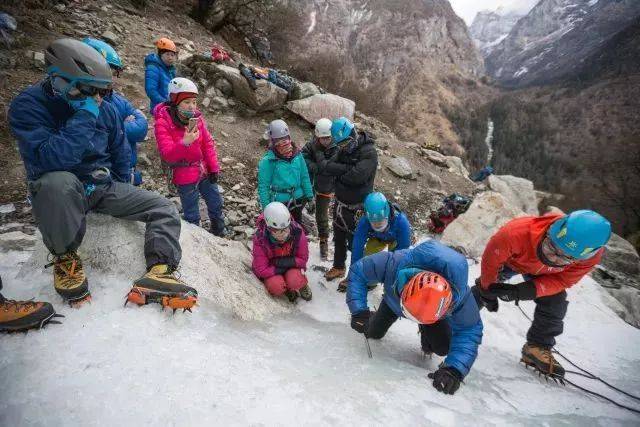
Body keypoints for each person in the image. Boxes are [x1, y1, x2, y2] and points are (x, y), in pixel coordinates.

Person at [8, 38, 196, 311]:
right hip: (61, 188)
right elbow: (51, 160)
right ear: (63, 83)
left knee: (163, 207)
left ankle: (159, 272)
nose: (100, 98)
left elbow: (119, 151)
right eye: (92, 91)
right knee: (57, 183)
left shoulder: (103, 105)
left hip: (101, 185)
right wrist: (84, 118)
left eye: (103, 91)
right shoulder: (29, 106)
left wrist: (122, 190)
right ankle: (65, 258)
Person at [472, 210, 611, 378]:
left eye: (564, 257)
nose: (552, 258)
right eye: (551, 247)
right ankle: (454, 320)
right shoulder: (516, 232)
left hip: (548, 274)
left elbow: (562, 281)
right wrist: (487, 288)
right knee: (482, 290)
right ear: (551, 231)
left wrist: (522, 291)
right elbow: (491, 259)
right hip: (514, 260)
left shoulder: (589, 257)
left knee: (556, 302)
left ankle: (537, 347)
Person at [347, 240, 483, 395]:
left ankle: (427, 329)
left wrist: (454, 369)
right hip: (393, 303)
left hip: (434, 317)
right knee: (372, 332)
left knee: (442, 347)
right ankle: (377, 317)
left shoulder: (460, 296)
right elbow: (359, 272)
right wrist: (359, 311)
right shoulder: (393, 263)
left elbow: (469, 329)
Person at [154, 77, 225, 236]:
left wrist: (213, 168)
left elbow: (207, 144)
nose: (192, 106)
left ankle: (219, 233)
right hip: (184, 174)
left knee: (216, 203)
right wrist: (184, 142)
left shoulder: (197, 120)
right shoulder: (163, 123)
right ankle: (196, 241)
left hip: (204, 171)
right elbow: (168, 155)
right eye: (187, 102)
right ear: (175, 102)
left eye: (194, 102)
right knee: (191, 213)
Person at [83, 37, 148, 186]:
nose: (110, 79)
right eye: (106, 71)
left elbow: (142, 128)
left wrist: (114, 128)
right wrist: (118, 127)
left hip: (125, 172)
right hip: (101, 178)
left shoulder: (119, 100)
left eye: (112, 73)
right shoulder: (78, 101)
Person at [320, 117, 378, 283]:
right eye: (341, 144)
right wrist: (345, 169)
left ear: (353, 133)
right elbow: (328, 165)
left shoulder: (369, 152)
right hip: (340, 203)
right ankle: (339, 266)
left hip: (357, 207)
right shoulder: (344, 148)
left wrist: (340, 174)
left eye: (346, 143)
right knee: (338, 237)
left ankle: (356, 274)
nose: (344, 147)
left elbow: (356, 177)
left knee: (355, 243)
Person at [342, 192, 412, 292]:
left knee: (393, 263)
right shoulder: (364, 222)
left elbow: (402, 253)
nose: (378, 225)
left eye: (381, 222)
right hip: (377, 238)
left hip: (396, 239)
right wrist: (353, 276)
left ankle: (392, 287)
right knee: (369, 260)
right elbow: (357, 248)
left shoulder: (401, 221)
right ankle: (371, 282)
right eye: (374, 223)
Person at [252, 202, 312, 303]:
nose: (283, 234)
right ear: (269, 228)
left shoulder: (297, 232)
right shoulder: (260, 239)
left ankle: (301, 284)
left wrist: (284, 264)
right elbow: (261, 270)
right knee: (276, 287)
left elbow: (303, 259)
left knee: (295, 281)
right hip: (273, 268)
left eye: (285, 229)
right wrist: (279, 268)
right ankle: (286, 288)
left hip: (286, 265)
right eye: (277, 231)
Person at [257, 119, 313, 224]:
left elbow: (304, 176)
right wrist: (266, 209)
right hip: (279, 202)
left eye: (284, 139)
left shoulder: (297, 155)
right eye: (279, 140)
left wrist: (310, 196)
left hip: (298, 199)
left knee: (296, 229)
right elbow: (263, 187)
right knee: (282, 232)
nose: (283, 143)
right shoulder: (268, 161)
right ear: (273, 142)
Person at [301, 118, 336, 260]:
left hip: (325, 187)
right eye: (322, 138)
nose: (325, 141)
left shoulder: (336, 147)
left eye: (328, 138)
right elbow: (302, 157)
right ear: (317, 136)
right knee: (298, 207)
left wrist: (321, 167)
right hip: (309, 184)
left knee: (321, 216)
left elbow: (331, 167)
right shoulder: (311, 145)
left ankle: (323, 241)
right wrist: (313, 167)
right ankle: (294, 235)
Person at [144, 37, 177, 111]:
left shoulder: (171, 69)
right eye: (167, 54)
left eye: (172, 55)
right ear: (160, 54)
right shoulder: (153, 67)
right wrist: (165, 103)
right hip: (159, 108)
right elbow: (151, 90)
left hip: (169, 107)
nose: (170, 58)